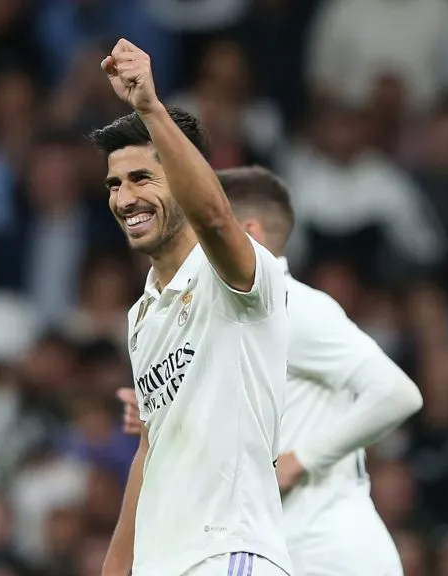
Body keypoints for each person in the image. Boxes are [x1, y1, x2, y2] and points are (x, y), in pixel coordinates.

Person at [118, 166, 424, 576]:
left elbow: (397, 393)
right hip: (280, 550)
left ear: (251, 233)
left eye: (209, 229)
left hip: (330, 549)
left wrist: (301, 458)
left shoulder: (291, 303)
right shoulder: (222, 314)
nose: (194, 244)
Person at [90, 40, 294, 576]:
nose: (123, 198)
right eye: (114, 184)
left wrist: (150, 109)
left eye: (141, 178)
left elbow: (213, 216)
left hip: (228, 553)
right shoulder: (141, 317)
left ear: (180, 178)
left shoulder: (237, 275)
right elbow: (149, 454)